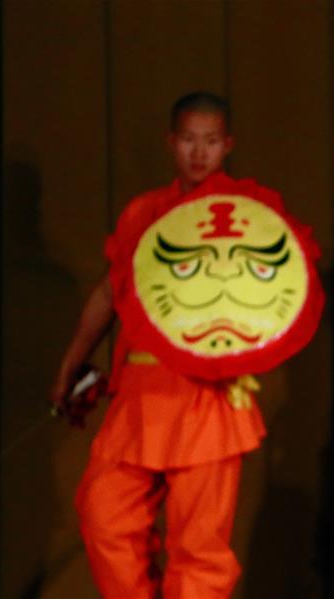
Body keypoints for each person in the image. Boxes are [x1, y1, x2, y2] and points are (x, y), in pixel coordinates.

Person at [50, 92, 273, 598]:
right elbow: (109, 292)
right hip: (141, 392)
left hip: (208, 396)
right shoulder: (143, 211)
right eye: (189, 140)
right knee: (105, 515)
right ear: (172, 142)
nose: (199, 152)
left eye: (210, 142)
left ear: (227, 145)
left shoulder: (247, 216)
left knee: (199, 546)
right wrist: (70, 365)